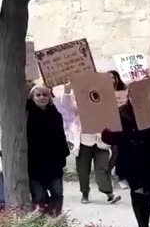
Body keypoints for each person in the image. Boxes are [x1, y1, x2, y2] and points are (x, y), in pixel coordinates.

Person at [104, 76, 150, 227]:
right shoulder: (121, 113)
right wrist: (109, 127)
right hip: (130, 158)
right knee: (137, 191)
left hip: (148, 157)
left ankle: (146, 219)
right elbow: (109, 138)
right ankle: (143, 226)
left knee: (147, 191)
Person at [71, 75, 120, 205]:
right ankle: (85, 193)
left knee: (102, 168)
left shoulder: (108, 101)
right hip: (84, 140)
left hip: (102, 142)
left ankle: (109, 193)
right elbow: (72, 109)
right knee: (83, 169)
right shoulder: (79, 101)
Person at [26, 84, 69, 216]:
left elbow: (61, 136)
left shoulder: (55, 114)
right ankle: (41, 223)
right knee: (39, 196)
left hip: (53, 162)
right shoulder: (26, 114)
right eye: (38, 95)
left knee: (57, 193)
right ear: (32, 98)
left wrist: (62, 156)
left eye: (45, 94)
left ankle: (55, 219)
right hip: (34, 163)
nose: (42, 97)